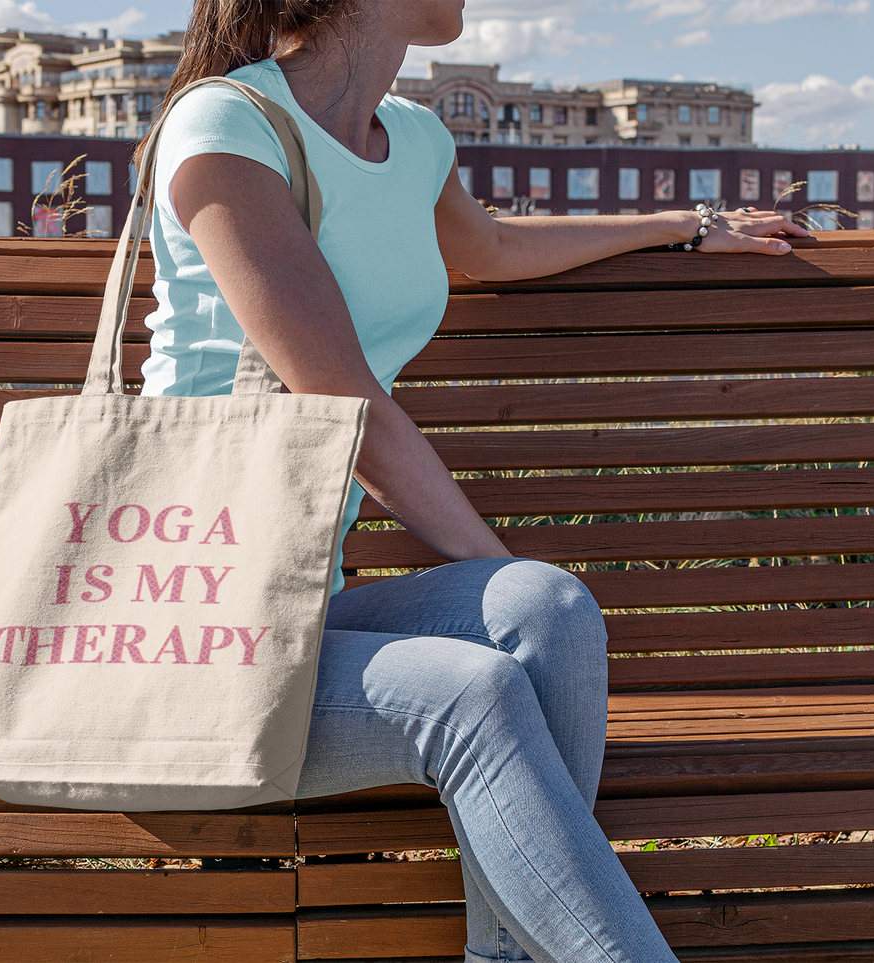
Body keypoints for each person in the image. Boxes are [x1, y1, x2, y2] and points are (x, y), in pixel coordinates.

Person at [143, 2, 809, 960]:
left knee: (547, 608)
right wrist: (489, 566)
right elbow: (346, 406)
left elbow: (491, 249)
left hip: (301, 604)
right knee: (475, 689)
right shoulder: (224, 128)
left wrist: (688, 225)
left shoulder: (411, 138)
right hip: (188, 623)